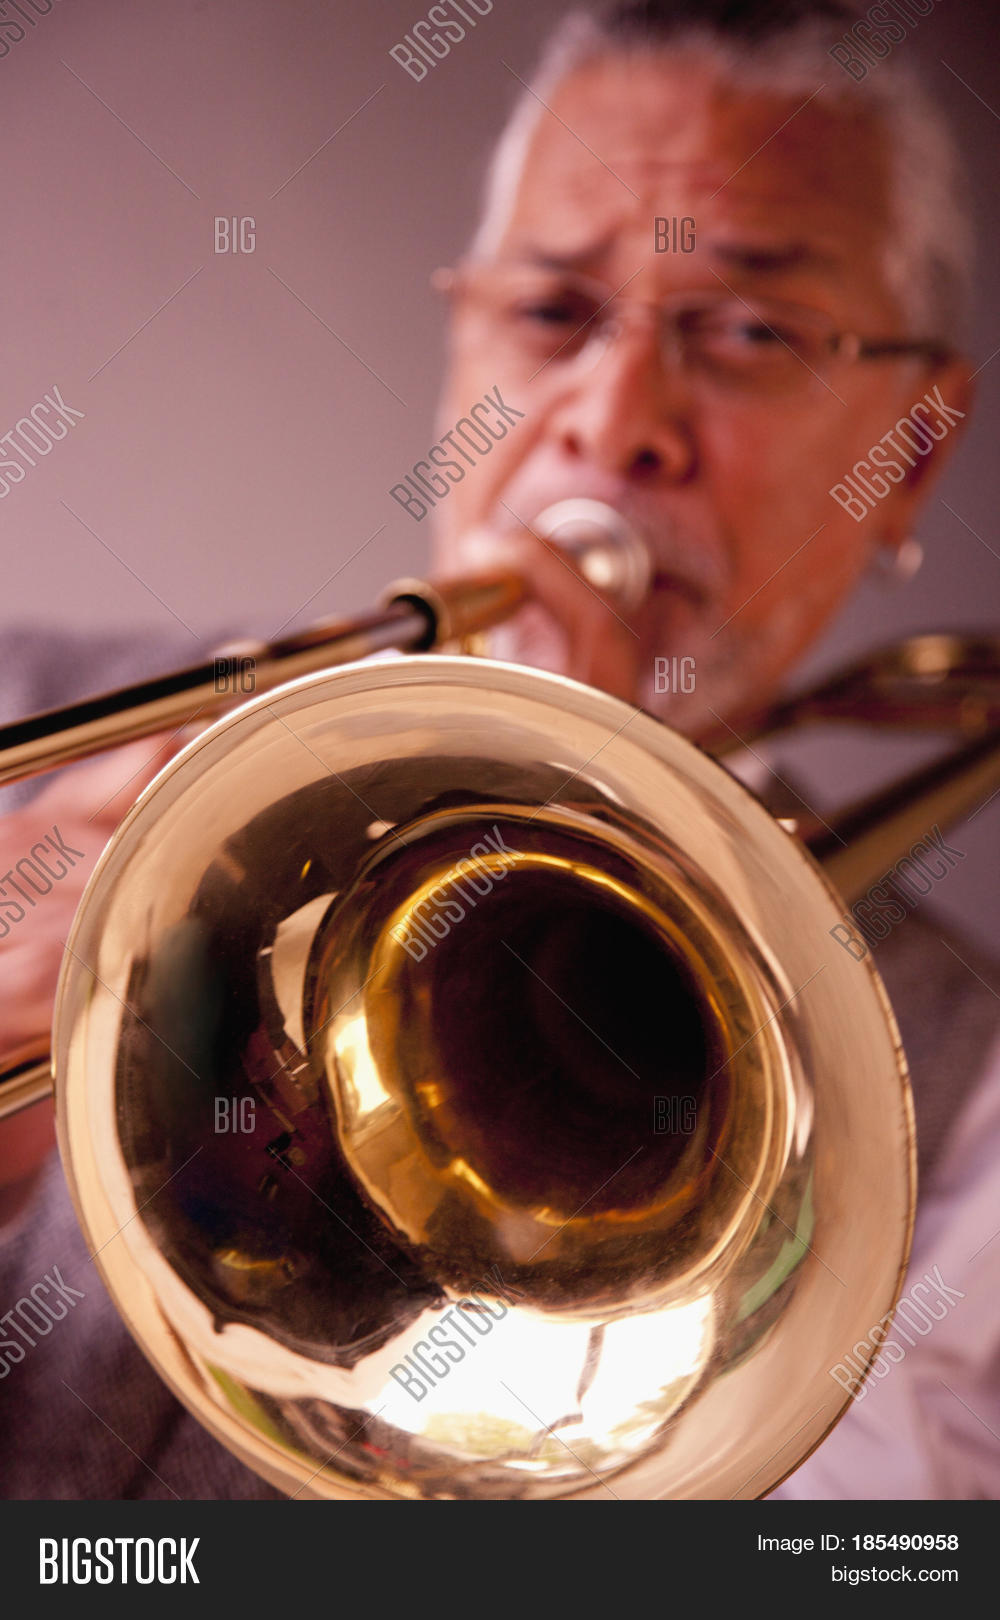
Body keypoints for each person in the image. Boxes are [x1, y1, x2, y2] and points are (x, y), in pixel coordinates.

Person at [1, 0, 997, 1498]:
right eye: (549, 315)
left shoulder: (972, 1105)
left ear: (909, 452)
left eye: (747, 331)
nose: (616, 418)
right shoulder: (31, 710)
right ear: (459, 338)